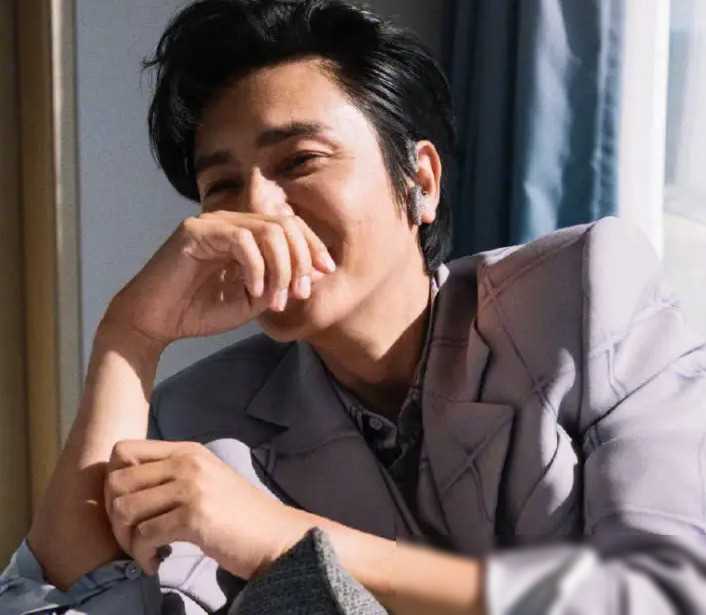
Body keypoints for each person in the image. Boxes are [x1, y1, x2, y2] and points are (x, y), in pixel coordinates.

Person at [2, 0, 706, 613]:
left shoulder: (580, 297)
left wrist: (286, 539)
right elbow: (73, 605)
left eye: (299, 161)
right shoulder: (202, 421)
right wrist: (130, 334)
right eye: (222, 186)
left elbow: (665, 594)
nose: (259, 209)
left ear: (420, 181)